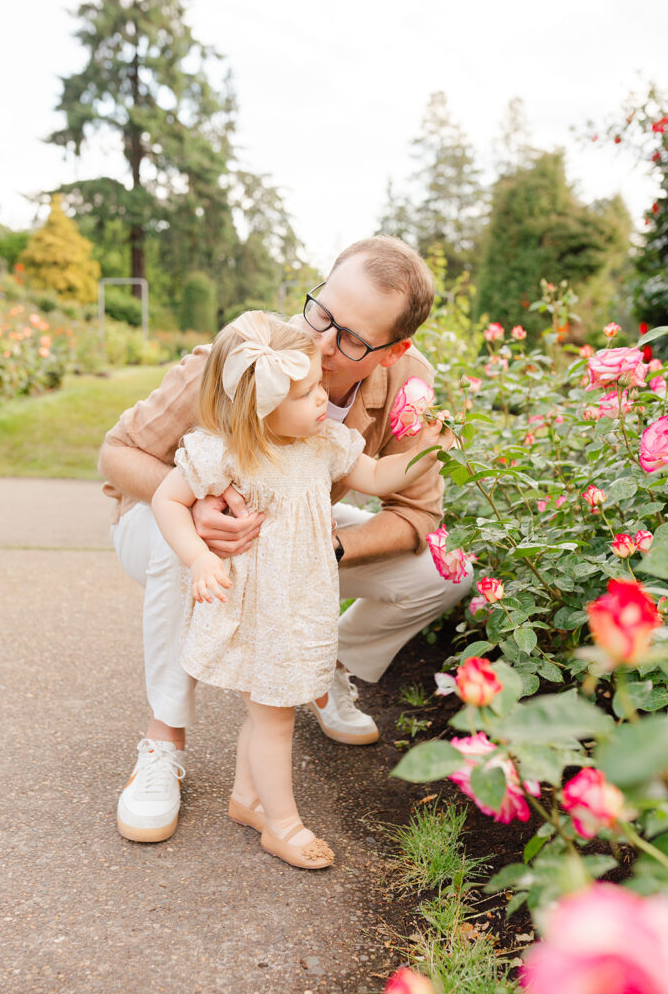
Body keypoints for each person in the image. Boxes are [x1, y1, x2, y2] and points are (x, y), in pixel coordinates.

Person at [99, 235, 474, 844]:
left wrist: (323, 556)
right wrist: (198, 507)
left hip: (297, 538)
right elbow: (116, 454)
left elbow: (414, 514)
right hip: (162, 525)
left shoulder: (410, 386)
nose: (321, 346)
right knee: (194, 546)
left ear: (393, 350)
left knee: (448, 567)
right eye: (322, 313)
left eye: (351, 338)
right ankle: (162, 740)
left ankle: (324, 664)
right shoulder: (248, 355)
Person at [150, 310, 455, 869]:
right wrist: (197, 558)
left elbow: (382, 479)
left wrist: (427, 447)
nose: (324, 399)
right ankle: (283, 825)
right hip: (259, 610)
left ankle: (247, 800)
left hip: (303, 605)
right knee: (275, 715)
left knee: (273, 705)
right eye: (309, 391)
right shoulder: (225, 453)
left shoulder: (325, 443)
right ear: (258, 405)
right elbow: (166, 500)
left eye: (320, 385)